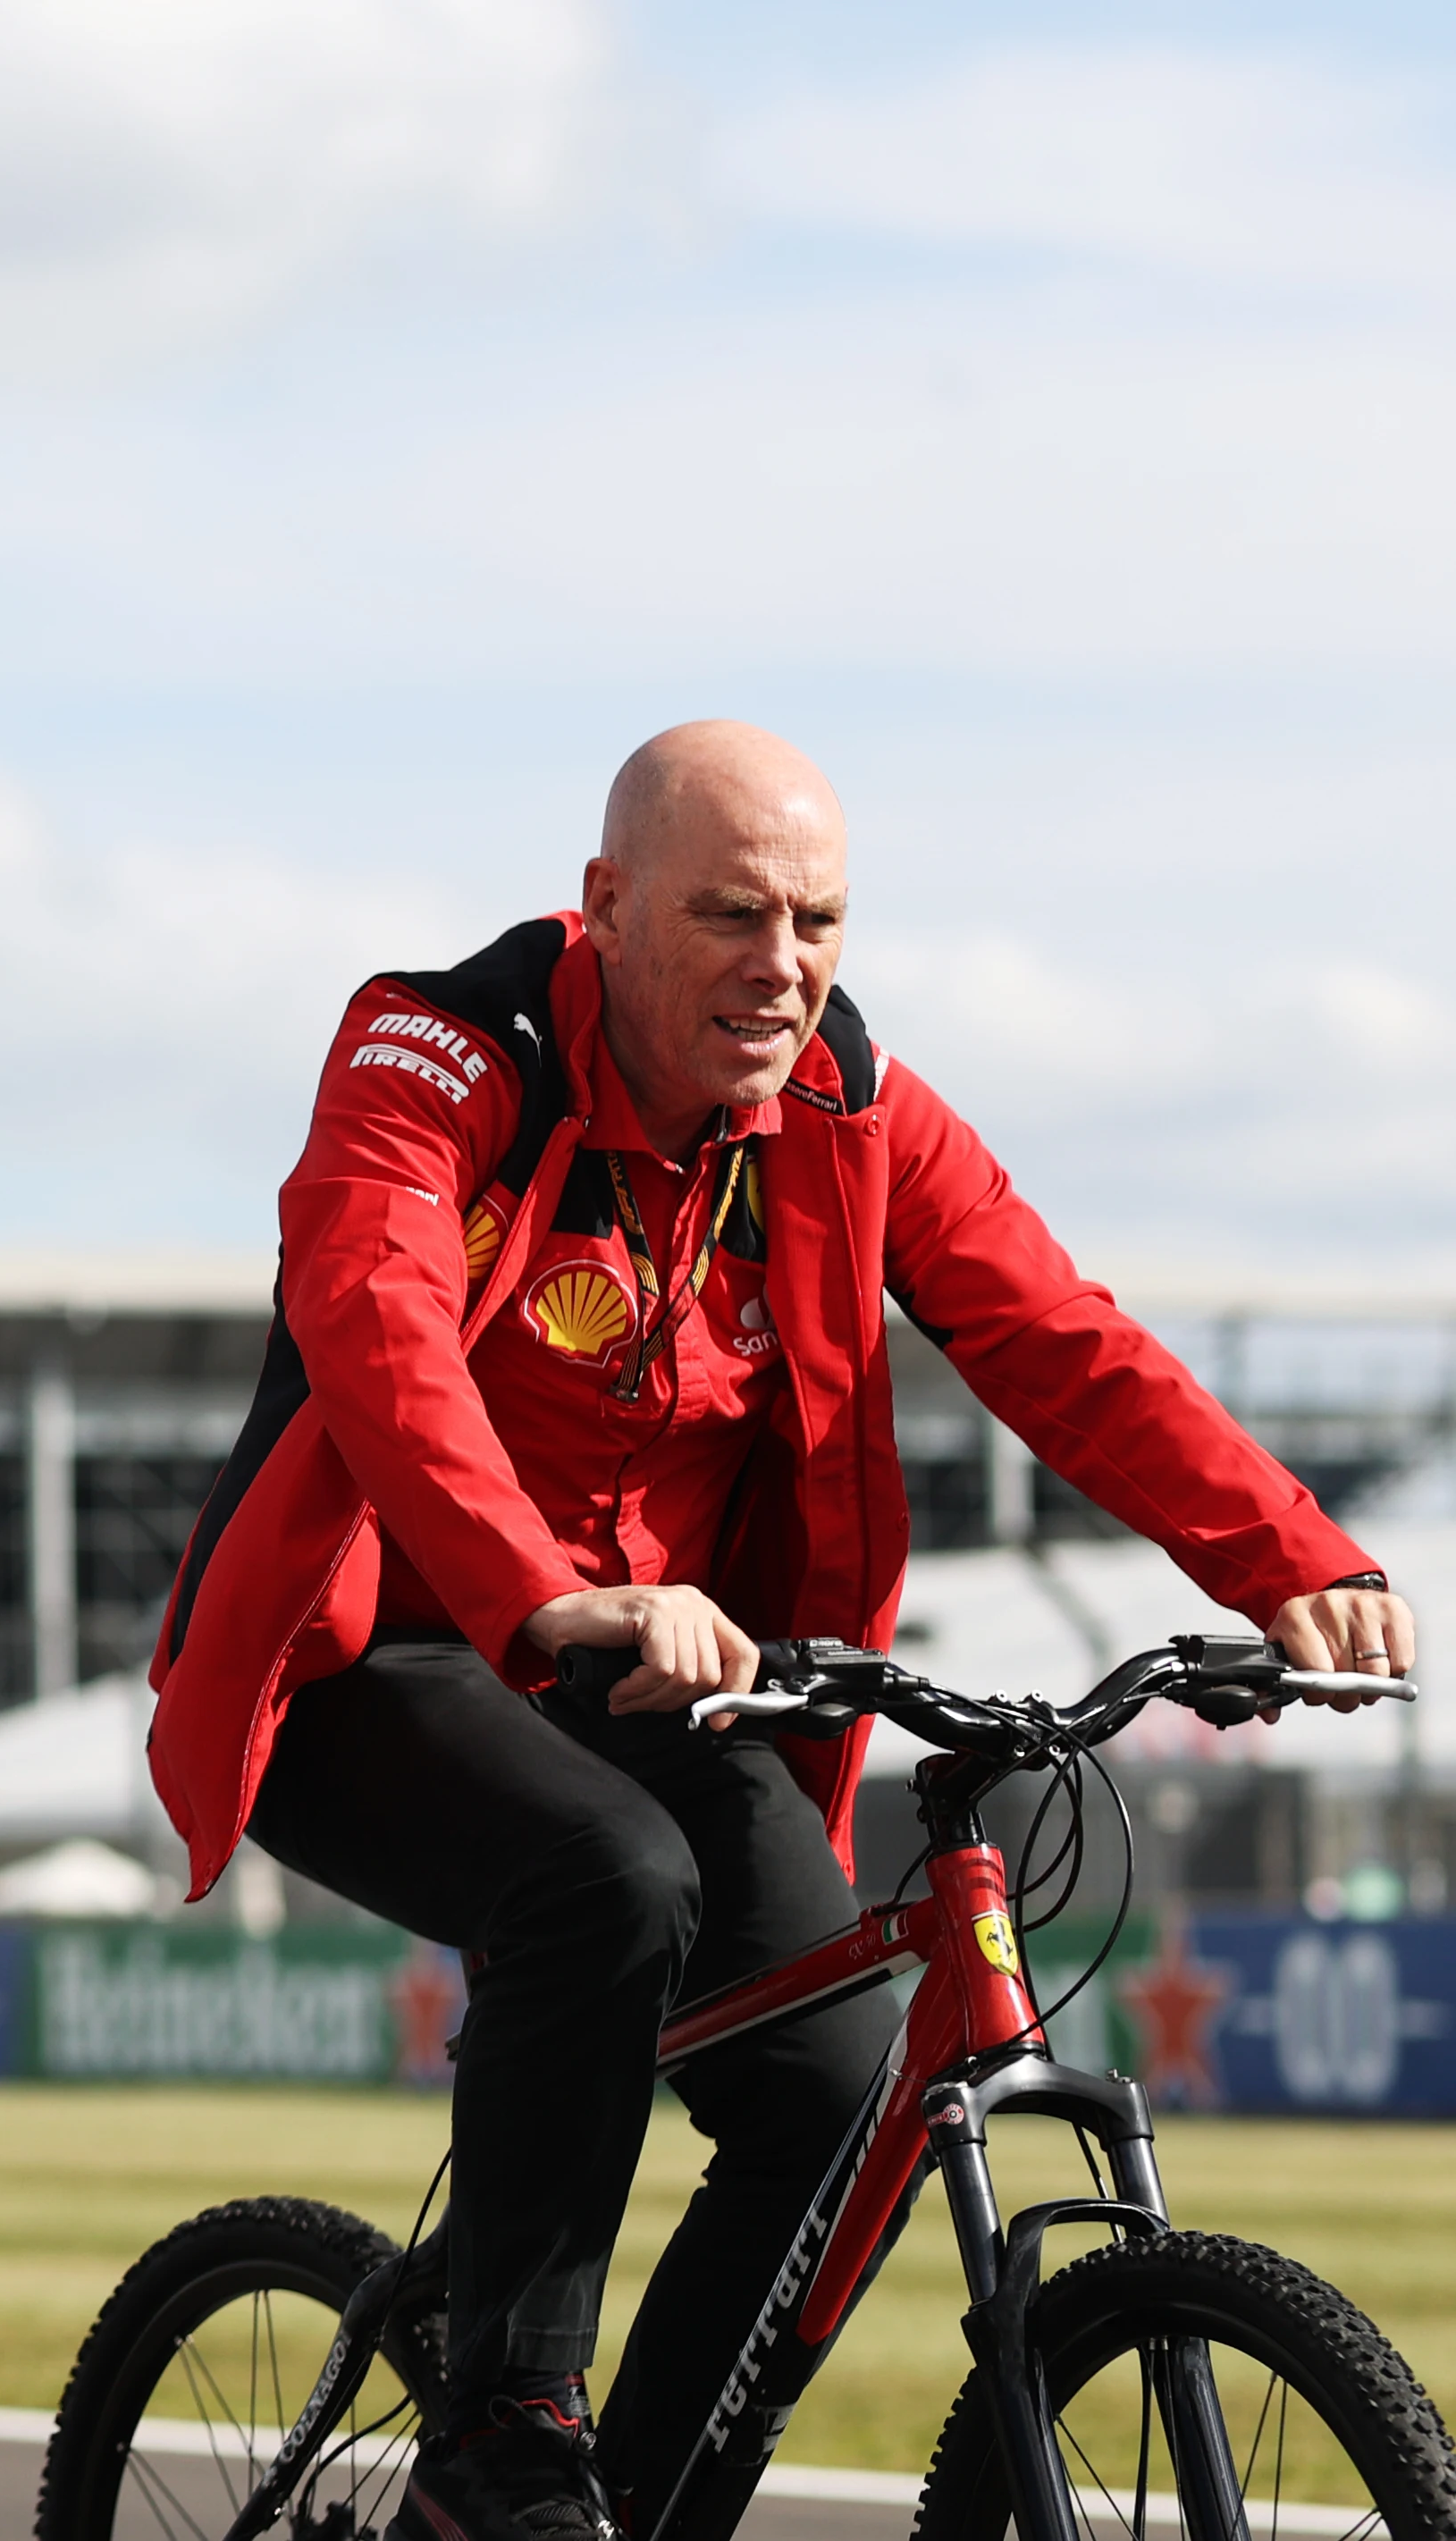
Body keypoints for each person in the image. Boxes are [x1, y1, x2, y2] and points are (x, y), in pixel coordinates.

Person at [151, 720, 1415, 2541]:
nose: (784, 961)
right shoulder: (435, 1047)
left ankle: (638, 2503)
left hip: (664, 1672)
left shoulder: (845, 1100)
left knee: (837, 2072)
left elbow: (1058, 1336)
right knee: (602, 1873)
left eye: (815, 916)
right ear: (601, 908)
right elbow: (377, 1321)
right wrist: (541, 1587)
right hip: (380, 1652)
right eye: (730, 912)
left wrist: (1279, 1553)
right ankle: (499, 2437)